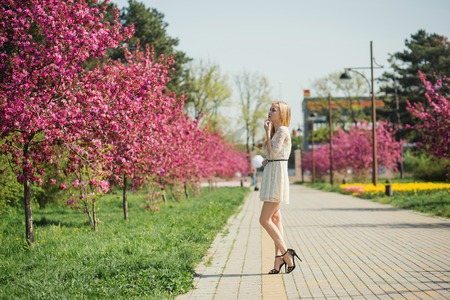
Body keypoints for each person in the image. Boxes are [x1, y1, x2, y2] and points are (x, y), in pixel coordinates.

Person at [259, 101, 301, 274]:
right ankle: (278, 261)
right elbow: (273, 155)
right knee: (275, 219)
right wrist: (266, 160)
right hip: (273, 173)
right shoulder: (277, 132)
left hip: (277, 178)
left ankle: (286, 253)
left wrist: (267, 133)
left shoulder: (282, 130)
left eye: (273, 110)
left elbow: (275, 152)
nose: (270, 112)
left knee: (264, 219)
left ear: (282, 114)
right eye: (270, 109)